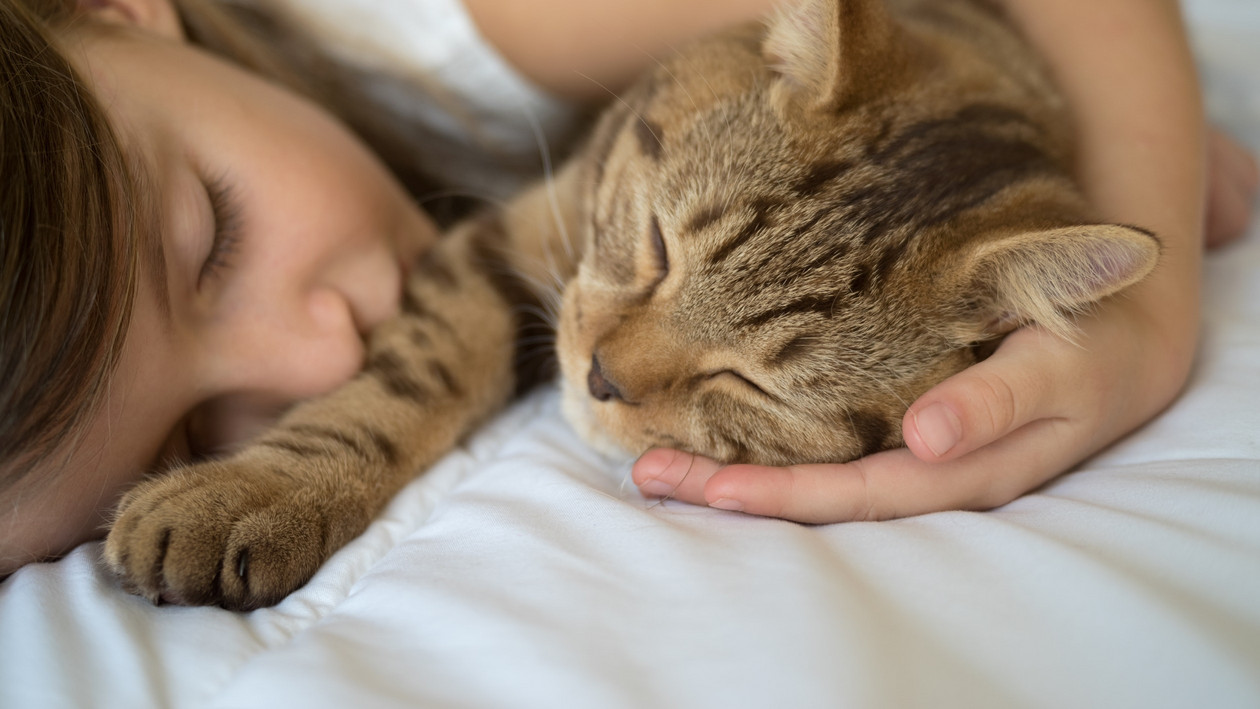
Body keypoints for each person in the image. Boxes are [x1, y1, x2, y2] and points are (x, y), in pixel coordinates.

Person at [0, 0, 1254, 578]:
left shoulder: (504, 21)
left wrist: (1137, 266)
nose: (612, 363)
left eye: (212, 239)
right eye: (168, 445)